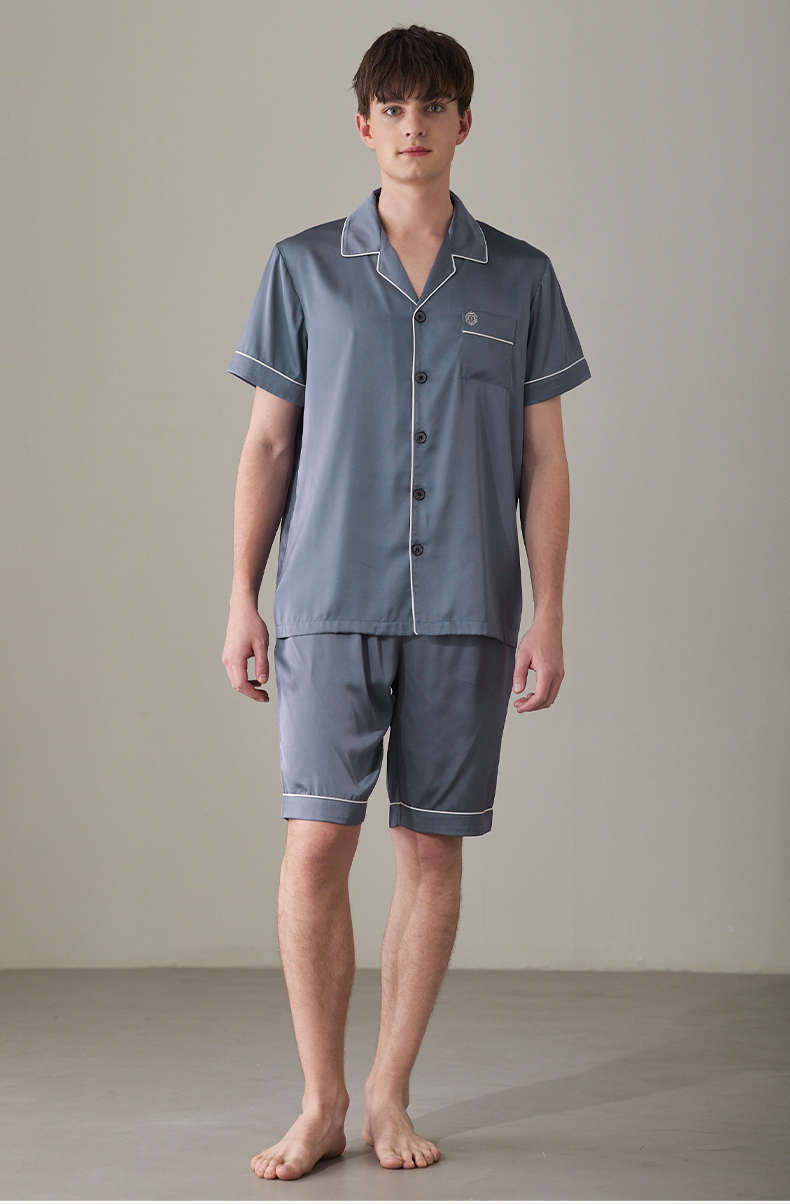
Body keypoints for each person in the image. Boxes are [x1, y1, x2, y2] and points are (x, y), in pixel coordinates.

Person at [222, 23, 591, 1181]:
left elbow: (545, 461)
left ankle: (388, 1093)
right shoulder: (301, 268)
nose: (412, 125)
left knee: (431, 852)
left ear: (463, 122)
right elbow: (267, 446)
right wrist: (240, 597)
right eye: (392, 107)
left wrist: (547, 612)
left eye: (433, 105)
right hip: (327, 601)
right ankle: (321, 1099)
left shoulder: (520, 278)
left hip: (469, 608)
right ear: (363, 124)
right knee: (315, 844)